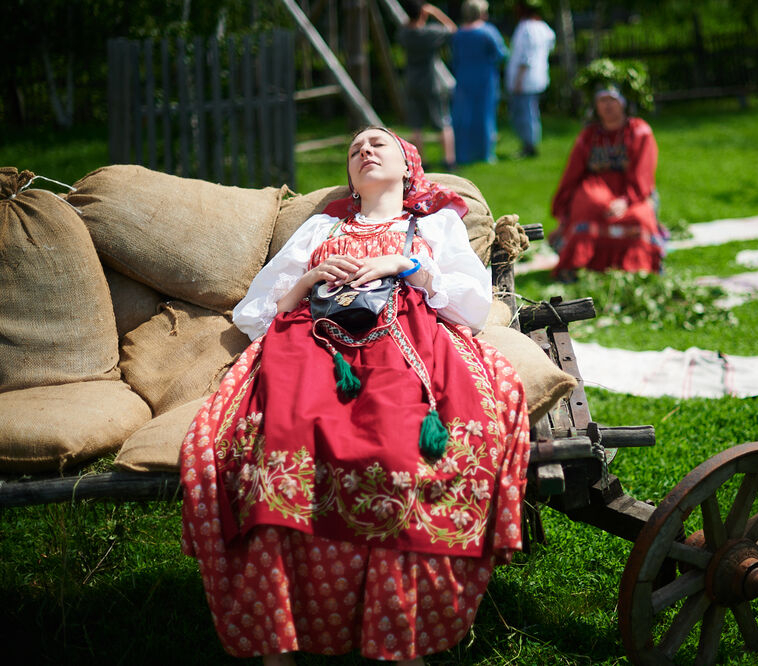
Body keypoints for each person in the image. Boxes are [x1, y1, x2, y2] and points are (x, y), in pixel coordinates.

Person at [180, 126, 531, 665]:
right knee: (279, 451)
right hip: (311, 342)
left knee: (397, 454)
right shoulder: (323, 225)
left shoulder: (434, 222)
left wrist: (404, 264)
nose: (364, 151)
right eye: (353, 149)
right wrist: (313, 275)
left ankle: (396, 638)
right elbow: (255, 314)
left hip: (403, 340)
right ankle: (278, 643)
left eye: (377, 144)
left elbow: (471, 305)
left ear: (407, 164)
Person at [549, 86, 668, 277]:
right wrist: (564, 213)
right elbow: (573, 173)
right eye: (601, 100)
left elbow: (643, 173)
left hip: (631, 192)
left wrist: (625, 200)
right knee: (592, 207)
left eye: (612, 99)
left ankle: (640, 267)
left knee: (638, 217)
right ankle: (582, 265)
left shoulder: (639, 131)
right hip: (597, 188)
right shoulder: (588, 136)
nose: (607, 106)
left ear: (623, 102)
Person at [398, 2, 458, 169]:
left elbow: (405, 26)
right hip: (432, 82)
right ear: (422, 14)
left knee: (416, 125)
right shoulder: (429, 33)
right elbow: (451, 28)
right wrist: (435, 12)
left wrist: (415, 15)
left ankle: (421, 162)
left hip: (411, 82)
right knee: (442, 121)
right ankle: (449, 160)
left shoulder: (404, 34)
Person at [450, 0, 507, 164]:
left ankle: (463, 154)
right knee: (485, 115)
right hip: (485, 78)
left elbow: (455, 58)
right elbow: (501, 54)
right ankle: (485, 154)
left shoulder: (459, 33)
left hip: (463, 77)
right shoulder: (488, 32)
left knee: (463, 116)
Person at [505, 0, 555, 158]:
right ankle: (529, 144)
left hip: (525, 79)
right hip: (538, 77)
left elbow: (525, 57)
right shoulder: (544, 27)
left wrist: (518, 80)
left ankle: (529, 146)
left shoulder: (525, 28)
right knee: (531, 112)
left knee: (525, 113)